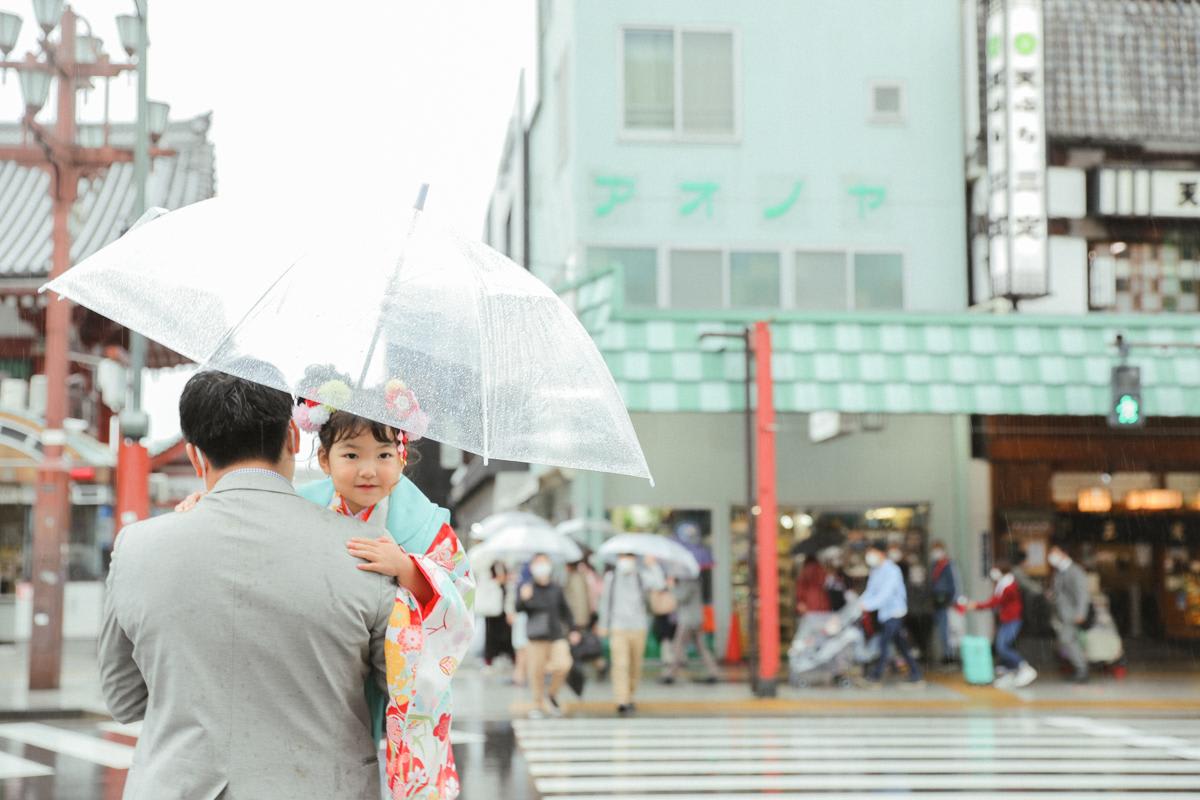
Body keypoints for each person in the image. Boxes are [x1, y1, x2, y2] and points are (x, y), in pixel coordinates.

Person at [176, 373, 476, 799]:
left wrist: (409, 569)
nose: (368, 470)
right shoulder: (301, 504)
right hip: (320, 676)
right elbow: (251, 521)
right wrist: (209, 505)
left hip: (393, 680)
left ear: (402, 458)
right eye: (351, 454)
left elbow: (461, 599)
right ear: (324, 459)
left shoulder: (425, 525)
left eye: (384, 454)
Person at [99, 371, 396, 798]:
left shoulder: (137, 546)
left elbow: (123, 697)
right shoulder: (368, 551)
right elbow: (404, 691)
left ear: (195, 456)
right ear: (293, 437)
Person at [598, 554, 665, 715]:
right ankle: (622, 700)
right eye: (622, 557)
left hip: (638, 627)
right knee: (620, 665)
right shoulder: (611, 577)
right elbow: (605, 602)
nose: (625, 560)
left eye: (629, 557)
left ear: (635, 559)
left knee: (635, 666)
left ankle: (630, 695)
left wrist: (653, 565)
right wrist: (603, 625)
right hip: (618, 627)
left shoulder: (642, 576)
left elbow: (660, 584)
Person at [517, 553, 576, 718]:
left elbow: (566, 610)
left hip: (556, 634)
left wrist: (573, 629)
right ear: (532, 567)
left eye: (544, 563)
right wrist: (523, 598)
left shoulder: (556, 588)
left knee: (564, 664)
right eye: (538, 563)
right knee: (536, 672)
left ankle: (551, 694)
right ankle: (537, 704)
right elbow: (519, 608)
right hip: (536, 636)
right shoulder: (527, 587)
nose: (542, 567)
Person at [859, 543, 923, 685]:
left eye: (872, 552)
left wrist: (868, 605)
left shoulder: (892, 571)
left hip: (895, 613)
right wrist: (859, 603)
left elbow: (885, 594)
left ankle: (875, 676)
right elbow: (870, 591)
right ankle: (916, 673)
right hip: (884, 614)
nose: (869, 556)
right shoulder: (876, 571)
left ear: (881, 553)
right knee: (901, 645)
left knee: (884, 643)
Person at [968, 559, 1037, 688]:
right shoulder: (1002, 584)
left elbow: (995, 602)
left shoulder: (1009, 586)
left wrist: (976, 606)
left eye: (996, 569)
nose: (993, 572)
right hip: (1006, 620)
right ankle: (1010, 672)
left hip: (1013, 620)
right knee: (1002, 646)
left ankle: (1024, 667)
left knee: (1003, 647)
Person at [661, 571, 720, 685]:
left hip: (688, 621)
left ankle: (670, 675)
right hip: (696, 620)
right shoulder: (695, 582)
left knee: (677, 646)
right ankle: (714, 672)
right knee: (702, 648)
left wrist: (671, 587)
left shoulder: (689, 583)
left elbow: (681, 598)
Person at [1048, 543, 1091, 683]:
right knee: (1069, 641)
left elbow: (1082, 593)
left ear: (1064, 553)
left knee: (1066, 640)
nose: (1052, 557)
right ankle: (1080, 668)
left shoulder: (1075, 571)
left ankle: (1082, 669)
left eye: (1054, 553)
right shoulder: (1059, 571)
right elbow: (1059, 592)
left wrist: (1081, 613)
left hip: (1072, 615)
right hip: (1062, 614)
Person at [929, 540, 962, 664]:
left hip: (948, 602)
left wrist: (954, 600)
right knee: (942, 630)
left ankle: (951, 655)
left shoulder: (949, 564)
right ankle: (945, 654)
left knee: (950, 629)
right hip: (937, 601)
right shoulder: (934, 565)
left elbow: (955, 583)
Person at [480, 562, 515, 668]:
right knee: (490, 638)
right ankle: (489, 660)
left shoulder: (507, 580)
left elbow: (510, 597)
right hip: (492, 614)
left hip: (504, 615)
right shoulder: (489, 574)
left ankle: (510, 658)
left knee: (508, 638)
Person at [795, 554, 832, 618]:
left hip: (808, 600)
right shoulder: (820, 568)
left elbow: (800, 588)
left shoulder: (805, 571)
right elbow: (824, 581)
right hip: (821, 599)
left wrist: (800, 601)